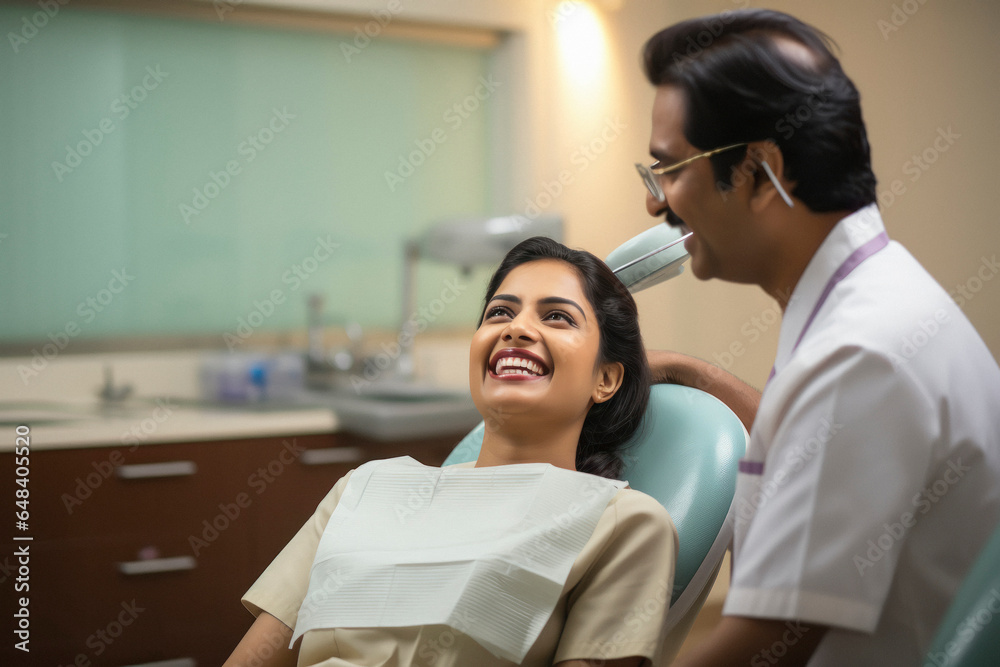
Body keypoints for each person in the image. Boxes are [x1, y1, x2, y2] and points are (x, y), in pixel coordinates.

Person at [637, 9, 1000, 666]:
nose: (655, 204)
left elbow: (768, 647)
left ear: (758, 169)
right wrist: (697, 374)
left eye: (670, 170)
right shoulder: (878, 295)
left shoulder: (857, 357)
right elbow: (816, 445)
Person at [223, 237, 678, 667]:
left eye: (557, 317)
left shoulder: (622, 523)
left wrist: (685, 368)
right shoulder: (363, 489)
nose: (517, 328)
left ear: (607, 380)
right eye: (499, 312)